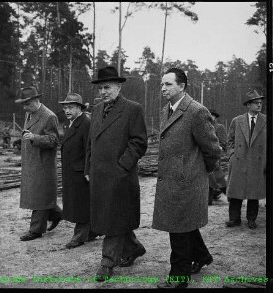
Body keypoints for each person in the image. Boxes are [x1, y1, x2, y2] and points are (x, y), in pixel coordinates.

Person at [152, 68, 221, 289]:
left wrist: (197, 172)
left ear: (182, 86)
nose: (163, 88)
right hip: (171, 181)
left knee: (178, 229)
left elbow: (213, 149)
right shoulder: (166, 110)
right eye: (162, 84)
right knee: (184, 224)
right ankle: (201, 256)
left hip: (187, 182)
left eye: (168, 84)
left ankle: (178, 277)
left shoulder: (196, 111)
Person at [84, 66, 148, 281]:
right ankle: (133, 248)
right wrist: (88, 168)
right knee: (114, 217)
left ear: (119, 87)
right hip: (99, 176)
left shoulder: (132, 109)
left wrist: (122, 167)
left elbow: (139, 142)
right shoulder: (96, 110)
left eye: (108, 87)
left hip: (121, 176)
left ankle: (107, 262)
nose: (103, 91)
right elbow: (91, 143)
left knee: (113, 218)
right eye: (101, 88)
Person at [15, 85, 62, 241]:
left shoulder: (49, 116)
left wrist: (35, 138)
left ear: (36, 100)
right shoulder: (30, 114)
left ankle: (36, 230)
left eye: (27, 103)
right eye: (23, 104)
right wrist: (21, 140)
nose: (24, 107)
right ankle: (56, 214)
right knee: (41, 195)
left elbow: (54, 141)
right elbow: (29, 132)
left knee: (39, 196)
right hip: (32, 162)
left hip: (43, 164)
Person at [59, 93, 99, 249]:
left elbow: (90, 149)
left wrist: (87, 170)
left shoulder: (85, 123)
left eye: (71, 107)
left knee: (81, 204)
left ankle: (80, 236)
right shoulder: (73, 122)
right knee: (78, 203)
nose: (67, 110)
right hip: (73, 170)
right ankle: (92, 231)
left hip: (81, 171)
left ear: (79, 108)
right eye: (65, 107)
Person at [226, 89, 266, 229]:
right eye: (256, 103)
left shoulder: (266, 120)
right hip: (239, 161)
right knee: (236, 192)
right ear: (248, 105)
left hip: (258, 163)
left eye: (260, 103)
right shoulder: (237, 121)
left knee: (253, 193)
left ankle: (251, 219)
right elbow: (229, 140)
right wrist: (231, 154)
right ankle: (234, 219)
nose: (259, 105)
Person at [208, 109, 227, 205]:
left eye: (212, 115)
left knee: (218, 176)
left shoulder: (220, 127)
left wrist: (217, 149)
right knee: (209, 177)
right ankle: (210, 198)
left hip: (215, 156)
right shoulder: (203, 127)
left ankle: (231, 195)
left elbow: (223, 143)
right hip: (205, 156)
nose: (210, 117)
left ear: (215, 117)